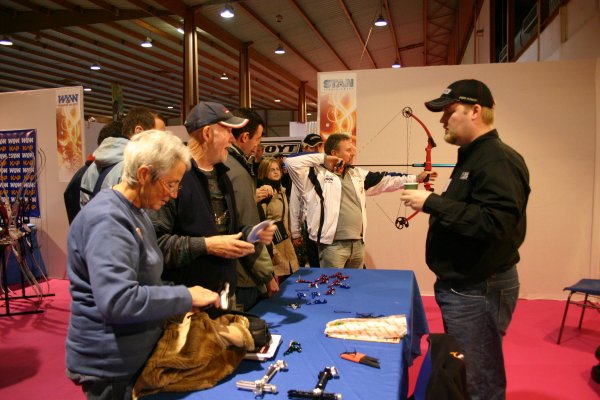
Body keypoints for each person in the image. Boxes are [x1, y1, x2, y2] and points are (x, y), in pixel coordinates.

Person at [65, 130, 221, 400]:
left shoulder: (136, 213)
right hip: (112, 366)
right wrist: (183, 295)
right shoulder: (108, 220)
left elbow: (147, 281)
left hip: (132, 356)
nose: (173, 195)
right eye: (170, 184)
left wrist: (182, 300)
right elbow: (118, 300)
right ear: (145, 174)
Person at [400, 79, 530, 400]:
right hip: (465, 287)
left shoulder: (497, 159)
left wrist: (432, 203)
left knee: (478, 379)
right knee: (465, 369)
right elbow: (473, 210)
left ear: (475, 110)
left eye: (449, 111)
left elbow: (495, 223)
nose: (442, 120)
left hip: (478, 289)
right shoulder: (472, 156)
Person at [149, 101, 275, 309]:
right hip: (190, 306)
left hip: (224, 297)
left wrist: (252, 234)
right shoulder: (175, 177)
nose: (232, 138)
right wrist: (207, 245)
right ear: (207, 133)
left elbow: (225, 232)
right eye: (227, 131)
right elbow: (158, 245)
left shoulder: (222, 174)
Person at [286, 133, 431, 269]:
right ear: (335, 154)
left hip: (357, 244)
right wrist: (325, 159)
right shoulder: (314, 175)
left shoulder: (357, 174)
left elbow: (386, 179)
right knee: (333, 288)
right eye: (348, 150)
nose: (353, 153)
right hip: (331, 245)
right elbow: (291, 162)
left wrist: (416, 178)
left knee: (354, 288)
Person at [225, 107, 279, 311]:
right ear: (245, 137)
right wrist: (267, 275)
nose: (258, 145)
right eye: (257, 138)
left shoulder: (232, 167)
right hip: (242, 275)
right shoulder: (236, 171)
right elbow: (248, 228)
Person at [80, 107, 165, 207]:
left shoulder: (91, 167)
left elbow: (85, 208)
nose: (162, 144)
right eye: (158, 137)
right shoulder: (136, 169)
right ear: (139, 131)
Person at [257, 157, 299, 281]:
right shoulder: (264, 193)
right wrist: (272, 250)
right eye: (271, 170)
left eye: (277, 169)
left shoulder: (282, 191)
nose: (276, 172)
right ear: (264, 172)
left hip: (286, 243)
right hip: (272, 246)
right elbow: (262, 223)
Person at [289, 133, 324, 267]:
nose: (315, 150)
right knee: (315, 267)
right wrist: (295, 232)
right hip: (310, 227)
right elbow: (294, 203)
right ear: (304, 148)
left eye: (318, 146)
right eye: (311, 147)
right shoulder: (300, 172)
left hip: (331, 228)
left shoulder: (328, 168)